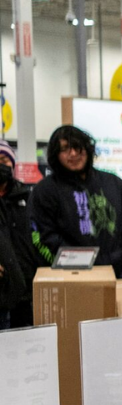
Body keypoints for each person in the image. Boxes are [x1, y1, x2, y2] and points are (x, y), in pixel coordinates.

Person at [31, 126, 122, 278]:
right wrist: (75, 262)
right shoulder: (45, 190)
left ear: (87, 148)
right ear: (55, 154)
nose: (73, 154)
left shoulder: (114, 184)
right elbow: (42, 236)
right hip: (68, 277)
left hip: (115, 273)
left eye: (77, 146)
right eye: (65, 149)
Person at [0, 141, 40, 329]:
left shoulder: (27, 196)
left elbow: (37, 236)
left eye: (4, 160)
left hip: (25, 287)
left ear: (13, 164)